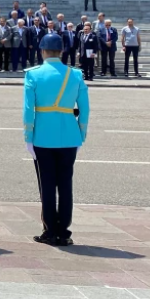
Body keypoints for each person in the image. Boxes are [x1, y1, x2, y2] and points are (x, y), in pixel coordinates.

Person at [22, 33, 89, 246]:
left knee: (47, 184)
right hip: (69, 134)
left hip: (42, 135)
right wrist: (81, 134)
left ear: (42, 51)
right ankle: (63, 230)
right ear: (62, 52)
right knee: (66, 184)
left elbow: (28, 110)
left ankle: (50, 229)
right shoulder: (75, 75)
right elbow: (85, 109)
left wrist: (28, 136)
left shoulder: (33, 75)